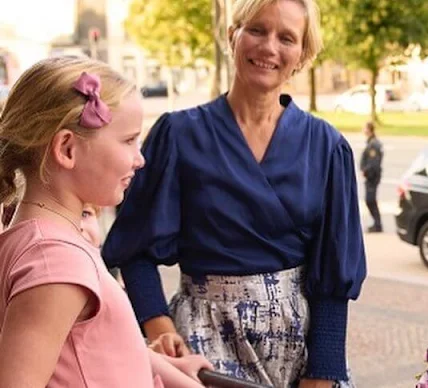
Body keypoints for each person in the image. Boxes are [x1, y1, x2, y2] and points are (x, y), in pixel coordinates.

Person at [102, 0, 367, 387]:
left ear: (302, 54)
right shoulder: (178, 136)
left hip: (297, 355)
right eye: (257, 30)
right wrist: (158, 327)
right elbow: (134, 249)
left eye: (287, 38)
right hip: (202, 346)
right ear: (232, 36)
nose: (269, 47)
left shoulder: (326, 147)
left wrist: (323, 372)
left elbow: (333, 276)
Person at [0, 56, 213, 387]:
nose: (140, 159)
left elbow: (93, 345)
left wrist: (173, 374)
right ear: (67, 149)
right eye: (129, 140)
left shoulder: (49, 241)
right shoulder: (55, 264)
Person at [359, 121, 383, 233]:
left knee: (370, 200)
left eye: (365, 128)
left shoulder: (373, 144)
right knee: (370, 200)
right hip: (371, 177)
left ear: (369, 130)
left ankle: (378, 224)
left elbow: (374, 163)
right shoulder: (371, 142)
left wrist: (366, 171)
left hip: (372, 177)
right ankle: (377, 223)